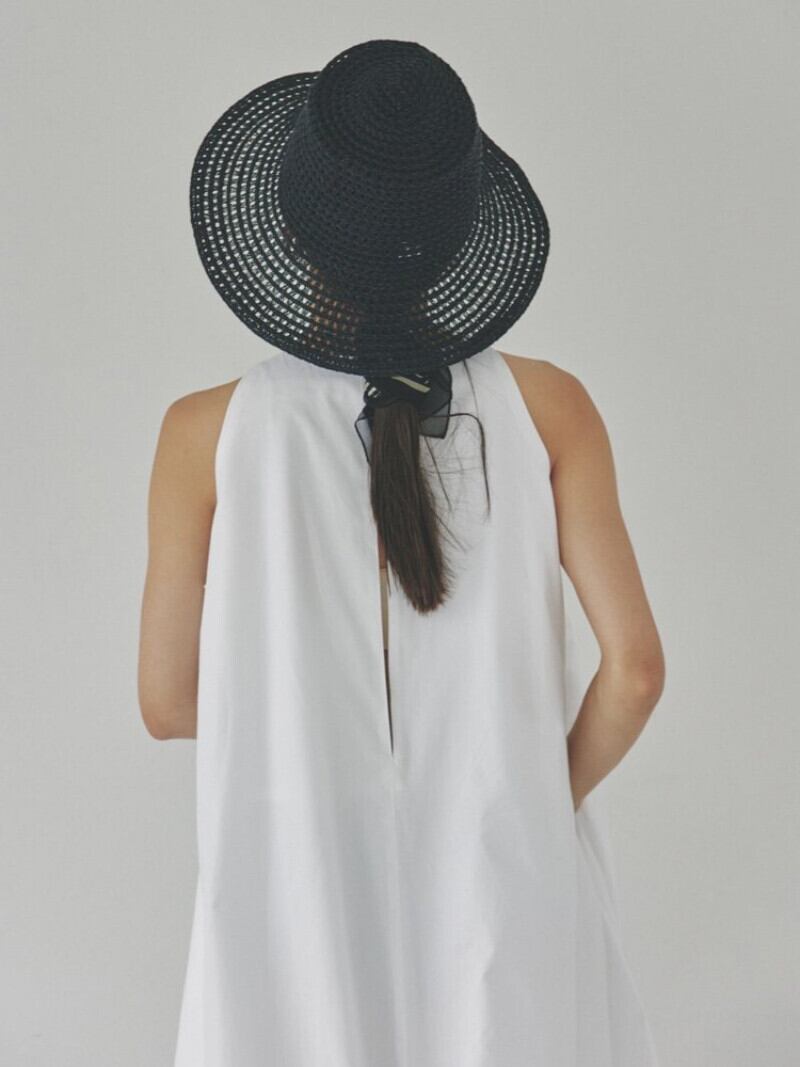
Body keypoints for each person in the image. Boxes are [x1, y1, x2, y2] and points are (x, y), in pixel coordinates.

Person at [138, 38, 665, 1067]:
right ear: (457, 238)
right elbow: (636, 670)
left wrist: (309, 726)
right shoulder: (550, 407)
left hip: (292, 876)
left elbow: (167, 700)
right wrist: (525, 791)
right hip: (504, 866)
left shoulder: (205, 431)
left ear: (293, 232)